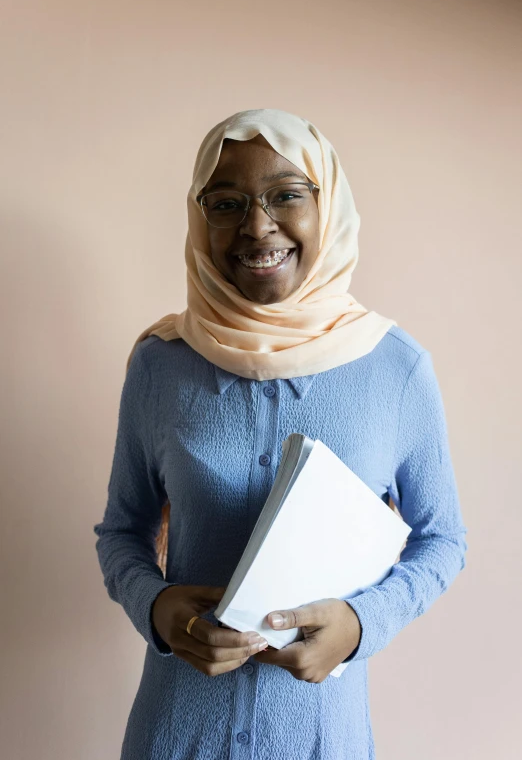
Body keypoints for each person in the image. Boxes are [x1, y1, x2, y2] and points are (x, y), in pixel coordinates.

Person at [93, 108, 468, 760]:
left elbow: (444, 540)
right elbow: (121, 532)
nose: (257, 225)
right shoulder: (161, 365)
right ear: (197, 215)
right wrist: (160, 611)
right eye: (226, 201)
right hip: (176, 734)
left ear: (328, 204)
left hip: (323, 738)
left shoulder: (395, 366)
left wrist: (358, 624)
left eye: (286, 195)